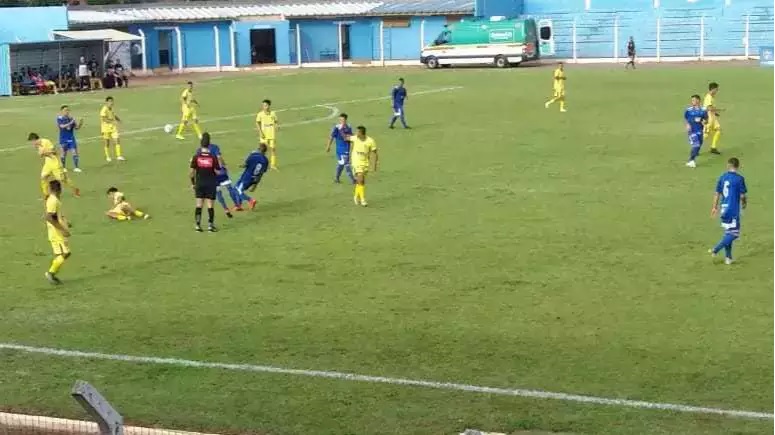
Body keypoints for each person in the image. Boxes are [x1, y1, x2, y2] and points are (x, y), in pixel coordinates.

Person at [709, 157, 747, 265]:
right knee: (734, 234)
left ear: (728, 165)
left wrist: (714, 207)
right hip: (733, 209)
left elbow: (717, 193)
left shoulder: (722, 177)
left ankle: (728, 258)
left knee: (728, 233)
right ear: (738, 166)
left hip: (724, 208)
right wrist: (744, 204)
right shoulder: (739, 179)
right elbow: (743, 195)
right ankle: (715, 249)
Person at [195, 140, 242, 218]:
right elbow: (219, 157)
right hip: (220, 171)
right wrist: (222, 166)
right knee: (229, 187)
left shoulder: (199, 151)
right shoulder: (214, 147)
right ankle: (237, 205)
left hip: (211, 173)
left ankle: (226, 209)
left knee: (218, 192)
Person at [28, 133, 80, 198]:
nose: (32, 144)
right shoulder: (38, 145)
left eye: (32, 142)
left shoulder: (46, 142)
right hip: (48, 164)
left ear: (34, 139)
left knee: (62, 180)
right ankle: (46, 195)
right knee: (43, 178)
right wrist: (42, 154)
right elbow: (42, 154)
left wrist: (45, 153)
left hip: (55, 163)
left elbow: (55, 151)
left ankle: (75, 190)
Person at [189, 133, 222, 232]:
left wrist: (193, 183)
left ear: (201, 144)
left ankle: (198, 226)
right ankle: (210, 226)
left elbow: (191, 173)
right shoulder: (213, 157)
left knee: (199, 205)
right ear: (209, 144)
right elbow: (218, 171)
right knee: (210, 205)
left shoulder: (196, 157)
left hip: (199, 183)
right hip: (210, 183)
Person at [44, 180, 71, 285]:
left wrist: (65, 222)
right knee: (65, 253)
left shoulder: (53, 199)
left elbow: (55, 216)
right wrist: (62, 229)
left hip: (55, 230)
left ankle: (52, 274)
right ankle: (51, 273)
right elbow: (49, 217)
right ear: (60, 189)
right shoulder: (53, 200)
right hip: (56, 231)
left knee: (61, 254)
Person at [234, 143, 269, 210]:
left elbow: (245, 164)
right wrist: (255, 185)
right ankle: (238, 206)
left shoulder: (253, 155)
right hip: (254, 179)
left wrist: (240, 165)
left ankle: (250, 200)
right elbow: (261, 174)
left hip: (246, 177)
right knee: (237, 187)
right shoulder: (266, 161)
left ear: (258, 149)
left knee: (237, 190)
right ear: (265, 151)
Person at [350, 125, 378, 206]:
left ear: (362, 133)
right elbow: (346, 137)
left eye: (357, 132)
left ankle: (356, 196)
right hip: (356, 162)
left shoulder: (370, 141)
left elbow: (375, 153)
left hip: (365, 163)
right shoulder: (354, 138)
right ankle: (362, 200)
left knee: (361, 182)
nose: (356, 133)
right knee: (361, 179)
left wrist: (374, 165)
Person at [326, 113, 355, 184]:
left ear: (346, 120)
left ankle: (336, 178)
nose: (341, 121)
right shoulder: (337, 127)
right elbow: (332, 137)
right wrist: (328, 146)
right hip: (340, 149)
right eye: (340, 119)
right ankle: (353, 180)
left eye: (343, 119)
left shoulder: (349, 127)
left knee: (341, 164)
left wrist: (351, 141)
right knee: (347, 164)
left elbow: (351, 137)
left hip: (346, 148)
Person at [684, 94, 708, 168]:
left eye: (694, 100)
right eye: (692, 100)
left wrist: (704, 122)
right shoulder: (689, 110)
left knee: (700, 143)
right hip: (692, 130)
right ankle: (691, 161)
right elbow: (686, 118)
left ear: (698, 100)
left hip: (699, 130)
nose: (693, 101)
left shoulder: (703, 110)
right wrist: (687, 125)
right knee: (696, 144)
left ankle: (695, 153)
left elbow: (706, 119)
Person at [57, 105, 83, 172]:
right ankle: (63, 167)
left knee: (74, 152)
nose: (67, 111)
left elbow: (76, 128)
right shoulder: (59, 118)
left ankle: (76, 167)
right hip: (63, 139)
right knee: (63, 154)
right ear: (62, 111)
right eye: (65, 110)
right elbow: (62, 126)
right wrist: (71, 122)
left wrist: (80, 123)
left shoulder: (71, 118)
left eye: (68, 110)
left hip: (71, 138)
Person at [255, 99, 279, 169]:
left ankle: (273, 165)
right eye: (263, 105)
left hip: (271, 134)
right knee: (262, 150)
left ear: (268, 106)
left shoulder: (273, 113)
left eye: (265, 105)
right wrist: (260, 132)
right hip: (264, 134)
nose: (264, 107)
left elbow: (276, 121)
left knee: (273, 149)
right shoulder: (260, 114)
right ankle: (260, 164)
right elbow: (257, 123)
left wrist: (276, 126)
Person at [100, 96, 124, 162]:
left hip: (113, 127)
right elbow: (103, 119)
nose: (111, 102)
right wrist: (112, 121)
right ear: (106, 102)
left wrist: (118, 120)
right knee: (107, 143)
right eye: (110, 101)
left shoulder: (111, 108)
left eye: (112, 101)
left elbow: (114, 115)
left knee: (117, 140)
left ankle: (118, 156)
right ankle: (108, 157)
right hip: (105, 128)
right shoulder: (104, 109)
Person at [703, 82, 722, 154]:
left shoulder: (711, 97)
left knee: (718, 130)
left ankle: (713, 147)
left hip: (712, 116)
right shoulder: (708, 97)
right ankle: (696, 146)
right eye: (716, 89)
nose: (717, 91)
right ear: (713, 89)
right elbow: (709, 107)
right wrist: (718, 110)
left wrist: (715, 113)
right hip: (708, 117)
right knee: (706, 134)